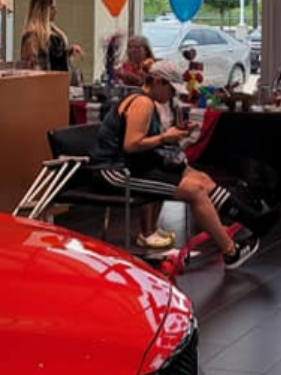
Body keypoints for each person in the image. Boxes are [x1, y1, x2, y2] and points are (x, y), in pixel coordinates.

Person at [90, 60, 258, 268]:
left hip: (128, 166)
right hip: (113, 171)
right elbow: (131, 145)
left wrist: (172, 134)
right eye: (171, 90)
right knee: (194, 190)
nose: (172, 96)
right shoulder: (142, 103)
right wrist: (165, 138)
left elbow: (141, 141)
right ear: (159, 81)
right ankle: (231, 251)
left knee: (198, 179)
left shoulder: (145, 100)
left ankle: (233, 226)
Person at [21, 0, 83, 73]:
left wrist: (68, 51)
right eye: (52, 8)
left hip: (59, 76)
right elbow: (33, 63)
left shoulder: (52, 31)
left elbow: (54, 57)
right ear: (44, 11)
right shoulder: (32, 35)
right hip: (45, 78)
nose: (56, 11)